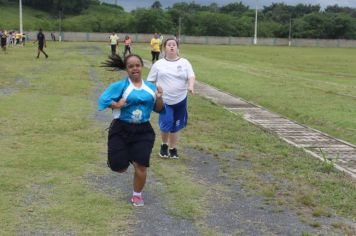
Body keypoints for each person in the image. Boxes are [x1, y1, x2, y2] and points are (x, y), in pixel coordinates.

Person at [98, 54, 164, 207]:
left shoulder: (151, 88)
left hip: (143, 131)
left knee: (141, 165)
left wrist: (159, 98)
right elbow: (103, 100)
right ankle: (126, 155)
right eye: (131, 66)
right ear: (126, 69)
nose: (135, 68)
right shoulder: (120, 86)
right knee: (119, 168)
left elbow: (159, 109)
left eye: (137, 65)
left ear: (142, 67)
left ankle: (137, 195)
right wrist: (117, 105)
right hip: (121, 128)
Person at [147, 37, 196, 159]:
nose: (172, 47)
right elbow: (150, 81)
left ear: (177, 48)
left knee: (175, 126)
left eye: (174, 45)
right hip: (165, 101)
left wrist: (190, 86)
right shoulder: (158, 64)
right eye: (169, 45)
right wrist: (151, 94)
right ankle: (164, 145)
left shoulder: (185, 63)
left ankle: (173, 148)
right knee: (166, 123)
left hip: (180, 100)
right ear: (165, 48)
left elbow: (191, 76)